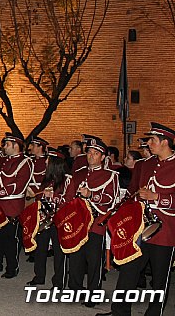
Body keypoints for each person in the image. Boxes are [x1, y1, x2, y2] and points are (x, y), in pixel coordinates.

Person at [96, 122, 175, 316]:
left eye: (152, 140)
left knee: (159, 277)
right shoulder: (146, 164)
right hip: (140, 226)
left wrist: (157, 197)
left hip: (165, 230)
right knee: (129, 268)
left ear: (165, 142)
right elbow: (133, 191)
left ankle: (154, 313)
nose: (148, 143)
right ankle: (120, 311)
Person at [64, 135, 120, 308]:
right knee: (75, 258)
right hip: (77, 223)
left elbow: (112, 200)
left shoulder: (111, 176)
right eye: (89, 152)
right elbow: (68, 198)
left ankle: (93, 295)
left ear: (103, 157)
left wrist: (91, 195)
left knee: (94, 261)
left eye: (96, 153)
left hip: (96, 224)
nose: (91, 156)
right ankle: (74, 290)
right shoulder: (78, 174)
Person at [0, 132, 33, 279]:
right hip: (0, 204)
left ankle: (12, 267)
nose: (4, 147)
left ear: (16, 145)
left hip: (12, 205)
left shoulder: (25, 162)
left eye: (7, 144)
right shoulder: (5, 160)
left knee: (12, 239)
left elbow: (20, 184)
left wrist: (1, 192)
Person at [26, 148, 69, 288]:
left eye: (47, 160)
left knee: (59, 252)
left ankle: (59, 282)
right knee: (40, 249)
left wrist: (54, 196)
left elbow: (70, 201)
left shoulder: (67, 180)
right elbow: (39, 197)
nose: (45, 162)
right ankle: (39, 276)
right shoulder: (46, 180)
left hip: (59, 222)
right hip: (44, 220)